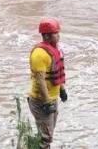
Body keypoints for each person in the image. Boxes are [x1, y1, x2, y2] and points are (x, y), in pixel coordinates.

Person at [28, 18, 67, 149]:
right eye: (56, 33)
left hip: (52, 98)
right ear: (47, 36)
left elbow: (57, 71)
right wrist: (46, 101)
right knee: (46, 137)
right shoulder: (39, 54)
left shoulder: (55, 50)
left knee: (48, 133)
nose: (59, 36)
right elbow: (40, 81)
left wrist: (62, 89)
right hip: (41, 100)